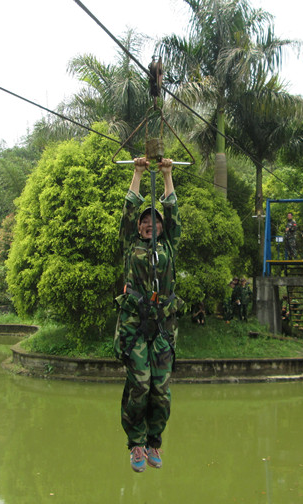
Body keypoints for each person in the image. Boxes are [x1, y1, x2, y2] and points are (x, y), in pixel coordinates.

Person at [114, 157, 184, 473]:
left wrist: (167, 174)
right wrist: (138, 172)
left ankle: (155, 441)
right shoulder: (131, 244)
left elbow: (172, 212)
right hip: (134, 326)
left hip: (164, 326)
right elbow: (129, 210)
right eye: (144, 222)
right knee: (140, 384)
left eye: (153, 221)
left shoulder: (168, 243)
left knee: (161, 390)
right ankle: (136, 445)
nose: (148, 224)